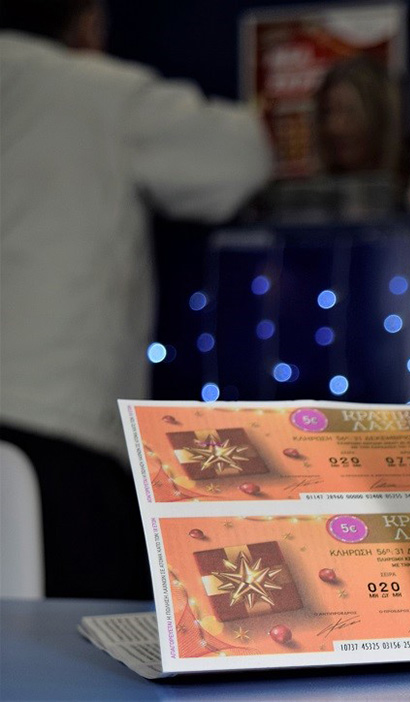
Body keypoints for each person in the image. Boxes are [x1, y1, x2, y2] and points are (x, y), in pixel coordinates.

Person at [0, 0, 272, 598]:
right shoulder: (97, 92)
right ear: (87, 20)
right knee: (75, 635)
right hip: (54, 422)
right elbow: (239, 159)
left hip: (40, 418)